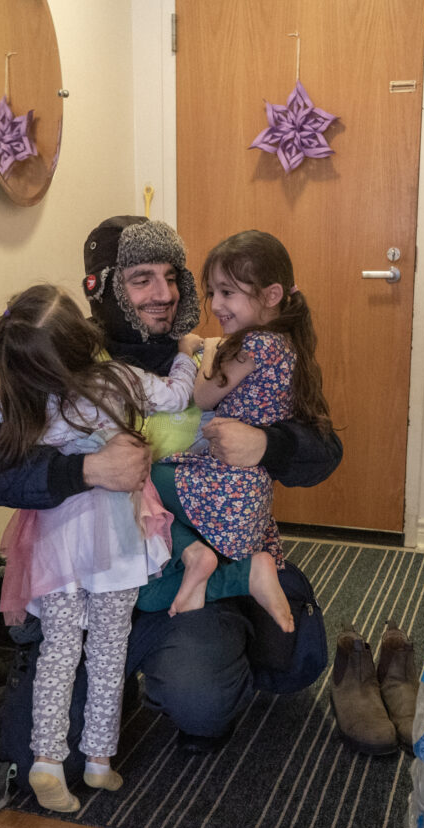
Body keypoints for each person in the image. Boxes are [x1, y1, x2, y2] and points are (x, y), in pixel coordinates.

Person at [0, 216, 342, 788]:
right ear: (104, 287)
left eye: (172, 276)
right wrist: (83, 469)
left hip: (181, 583)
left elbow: (325, 449)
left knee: (200, 703)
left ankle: (208, 635)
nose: (164, 294)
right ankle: (110, 697)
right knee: (36, 751)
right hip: (90, 581)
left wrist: (268, 443)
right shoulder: (65, 354)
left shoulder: (218, 353)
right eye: (141, 279)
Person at [0, 283, 201, 812]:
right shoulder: (122, 379)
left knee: (58, 652)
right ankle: (97, 761)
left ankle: (47, 761)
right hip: (116, 542)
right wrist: (185, 355)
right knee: (108, 650)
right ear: (87, 335)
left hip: (55, 546)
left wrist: (22, 409)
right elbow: (179, 396)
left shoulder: (22, 402)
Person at [152, 230, 333, 636]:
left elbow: (202, 394)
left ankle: (196, 555)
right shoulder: (287, 346)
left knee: (142, 480)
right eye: (212, 292)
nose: (215, 305)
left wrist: (200, 352)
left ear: (270, 296)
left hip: (224, 493)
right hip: (250, 501)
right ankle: (217, 566)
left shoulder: (251, 346)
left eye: (227, 293)